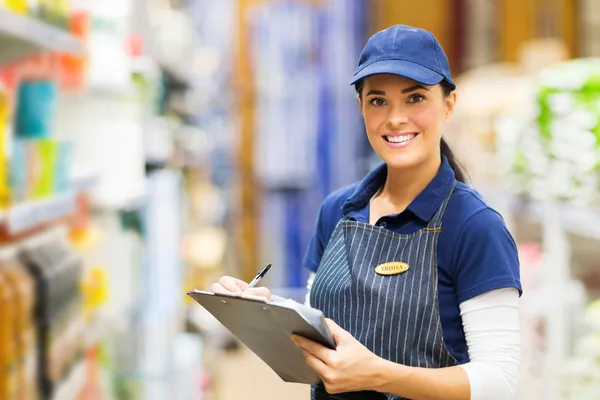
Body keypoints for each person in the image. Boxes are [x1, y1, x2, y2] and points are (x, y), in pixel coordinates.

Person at [211, 24, 522, 400]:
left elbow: (500, 382)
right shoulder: (337, 211)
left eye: (415, 98)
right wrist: (267, 315)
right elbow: (324, 336)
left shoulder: (473, 225)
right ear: (361, 107)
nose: (395, 118)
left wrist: (377, 374)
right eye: (378, 100)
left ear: (448, 104)